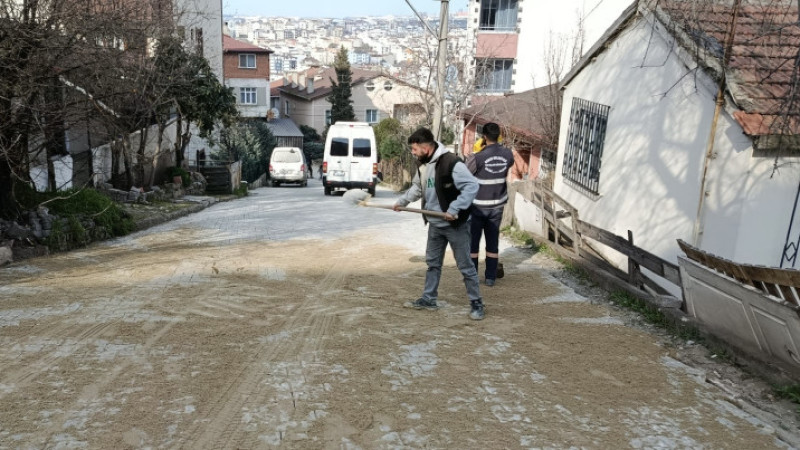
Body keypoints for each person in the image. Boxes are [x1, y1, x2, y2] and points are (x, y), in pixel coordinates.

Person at [394, 127, 485, 320]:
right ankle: (429, 299)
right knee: (432, 264)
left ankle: (476, 303)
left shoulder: (452, 163)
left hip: (455, 225)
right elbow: (418, 188)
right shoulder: (422, 166)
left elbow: (472, 186)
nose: (413, 153)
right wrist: (402, 202)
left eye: (414, 149)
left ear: (425, 147)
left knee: (465, 266)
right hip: (435, 224)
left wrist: (455, 209)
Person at [466, 122, 514, 287]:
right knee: (492, 242)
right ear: (499, 136)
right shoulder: (508, 154)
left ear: (484, 137)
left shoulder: (478, 157)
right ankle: (490, 277)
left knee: (473, 244)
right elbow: (508, 164)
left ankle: (472, 277)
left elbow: (467, 172)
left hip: (478, 207)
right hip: (497, 207)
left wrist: (476, 152)